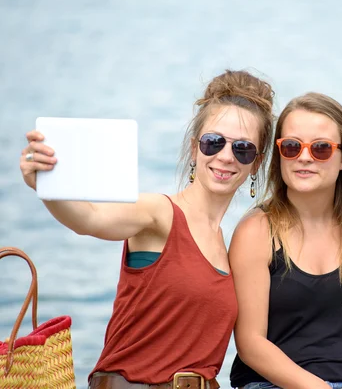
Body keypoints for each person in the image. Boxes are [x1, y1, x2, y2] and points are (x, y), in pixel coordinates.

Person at [19, 70, 275, 389]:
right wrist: (47, 184)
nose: (225, 156)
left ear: (257, 162)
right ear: (195, 148)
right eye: (214, 142)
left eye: (243, 149)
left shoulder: (227, 244)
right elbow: (91, 218)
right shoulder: (159, 213)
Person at [228, 92, 342, 389]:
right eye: (291, 147)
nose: (304, 157)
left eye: (321, 148)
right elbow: (250, 342)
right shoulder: (257, 232)